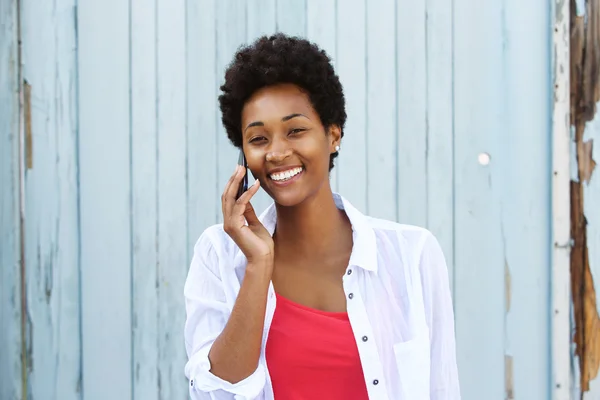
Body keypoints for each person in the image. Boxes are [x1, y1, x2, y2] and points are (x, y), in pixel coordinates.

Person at [184, 33, 461, 400]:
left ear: (333, 135)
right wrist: (257, 264)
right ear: (243, 156)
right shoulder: (220, 254)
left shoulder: (411, 254)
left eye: (296, 130)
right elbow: (214, 394)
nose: (278, 152)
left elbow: (441, 388)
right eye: (258, 139)